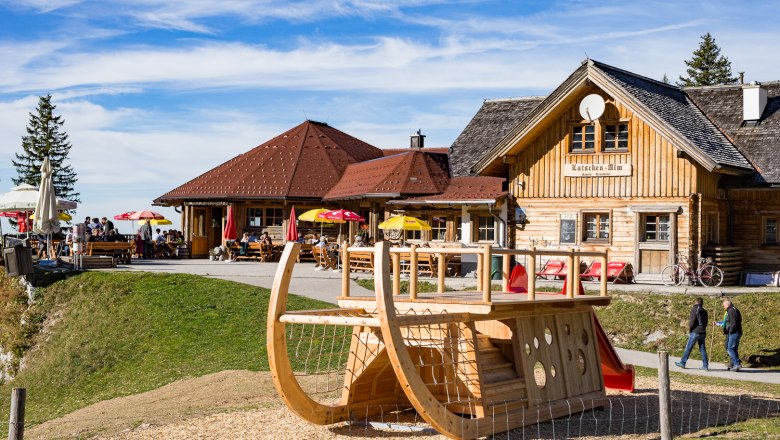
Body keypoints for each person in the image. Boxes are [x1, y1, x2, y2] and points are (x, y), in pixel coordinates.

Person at [675, 297, 709, 370]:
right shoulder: (704, 311)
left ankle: (682, 362)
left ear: (695, 302)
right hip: (703, 332)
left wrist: (690, 329)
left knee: (688, 347)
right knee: (702, 349)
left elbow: (692, 321)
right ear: (702, 303)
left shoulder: (695, 309)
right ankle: (705, 365)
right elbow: (706, 323)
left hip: (696, 331)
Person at [715, 299, 743, 371]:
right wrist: (717, 323)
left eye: (724, 305)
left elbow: (733, 323)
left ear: (728, 304)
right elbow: (727, 322)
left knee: (730, 348)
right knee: (732, 348)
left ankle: (737, 364)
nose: (723, 307)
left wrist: (730, 331)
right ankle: (734, 363)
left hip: (734, 332)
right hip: (734, 332)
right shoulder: (731, 310)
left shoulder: (731, 311)